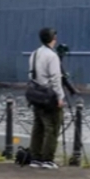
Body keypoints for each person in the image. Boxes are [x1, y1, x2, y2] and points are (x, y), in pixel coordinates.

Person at [28, 27, 66, 169]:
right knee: (52, 127)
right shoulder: (52, 56)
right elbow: (56, 78)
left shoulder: (34, 54)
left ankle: (35, 157)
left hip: (35, 94)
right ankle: (48, 159)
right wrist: (60, 97)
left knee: (38, 126)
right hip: (48, 96)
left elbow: (31, 74)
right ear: (53, 39)